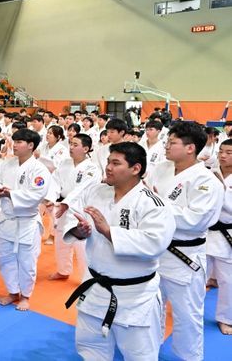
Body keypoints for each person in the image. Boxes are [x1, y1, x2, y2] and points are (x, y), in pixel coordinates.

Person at [60, 142, 175, 360]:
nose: (108, 168)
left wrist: (108, 231)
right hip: (94, 289)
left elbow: (155, 243)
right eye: (108, 162)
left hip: (134, 297)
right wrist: (79, 230)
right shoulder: (96, 191)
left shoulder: (153, 204)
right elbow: (74, 218)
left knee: (140, 355)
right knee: (90, 350)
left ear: (136, 168)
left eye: (116, 163)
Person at [145, 121, 224, 360]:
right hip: (155, 250)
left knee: (187, 314)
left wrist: (158, 204)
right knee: (150, 307)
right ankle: (148, 351)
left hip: (184, 256)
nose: (167, 146)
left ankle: (189, 357)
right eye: (167, 141)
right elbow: (145, 198)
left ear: (190, 148)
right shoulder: (161, 168)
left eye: (172, 142)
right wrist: (155, 204)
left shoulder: (206, 181)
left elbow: (195, 220)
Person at [0, 128, 50, 311]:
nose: (14, 145)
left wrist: (11, 193)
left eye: (19, 142)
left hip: (27, 222)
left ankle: (25, 296)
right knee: (5, 259)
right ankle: (13, 292)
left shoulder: (39, 169)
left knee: (27, 262)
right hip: (7, 219)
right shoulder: (7, 164)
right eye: (14, 141)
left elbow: (37, 195)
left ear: (31, 145)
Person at [44, 133, 100, 281]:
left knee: (81, 246)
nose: (71, 147)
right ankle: (63, 270)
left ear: (86, 149)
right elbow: (55, 181)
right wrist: (51, 198)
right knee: (61, 240)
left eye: (75, 145)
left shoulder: (92, 168)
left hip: (81, 209)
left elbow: (81, 189)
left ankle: (86, 279)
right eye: (71, 144)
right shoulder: (65, 163)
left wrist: (66, 203)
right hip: (63, 207)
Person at [207, 139, 232, 335]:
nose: (223, 155)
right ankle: (191, 314)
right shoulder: (209, 173)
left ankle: (226, 319)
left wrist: (222, 192)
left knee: (228, 281)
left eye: (229, 153)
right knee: (196, 279)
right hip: (206, 233)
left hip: (228, 235)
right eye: (221, 151)